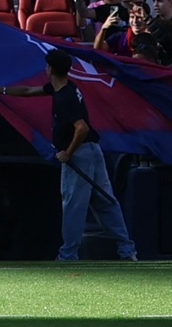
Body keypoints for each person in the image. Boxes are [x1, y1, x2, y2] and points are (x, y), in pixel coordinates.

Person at [47, 61, 136, 263]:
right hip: (94, 150)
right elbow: (30, 90)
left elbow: (82, 128)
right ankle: (127, 249)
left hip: (79, 154)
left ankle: (68, 255)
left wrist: (68, 152)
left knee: (74, 204)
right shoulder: (68, 86)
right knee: (105, 200)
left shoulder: (64, 98)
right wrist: (1, 90)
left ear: (50, 69)